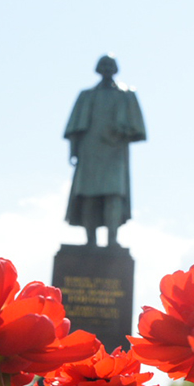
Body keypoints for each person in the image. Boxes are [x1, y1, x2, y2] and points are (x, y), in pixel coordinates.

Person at [64, 55, 146, 247]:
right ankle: (90, 241)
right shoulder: (87, 95)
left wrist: (123, 131)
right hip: (90, 151)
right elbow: (74, 128)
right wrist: (73, 151)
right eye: (104, 65)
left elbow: (139, 130)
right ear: (98, 68)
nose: (107, 68)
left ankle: (112, 240)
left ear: (116, 68)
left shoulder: (126, 94)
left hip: (115, 153)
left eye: (111, 65)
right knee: (89, 197)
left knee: (113, 196)